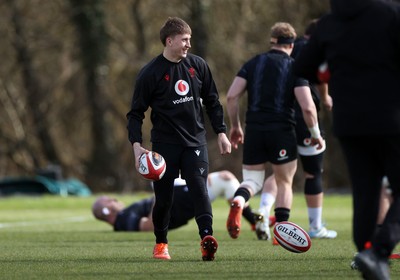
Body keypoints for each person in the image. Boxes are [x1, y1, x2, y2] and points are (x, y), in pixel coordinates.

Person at [293, 0, 400, 279]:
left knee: (365, 194)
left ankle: (365, 251)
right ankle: (378, 251)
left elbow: (302, 68)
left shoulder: (329, 23)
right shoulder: (390, 13)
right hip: (389, 116)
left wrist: (329, 72)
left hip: (349, 122)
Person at [126, 17, 231, 261]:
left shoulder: (198, 66)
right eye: (184, 40)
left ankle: (206, 239)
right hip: (164, 147)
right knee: (164, 200)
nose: (188, 45)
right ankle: (161, 243)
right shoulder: (150, 74)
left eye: (190, 40)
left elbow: (213, 102)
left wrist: (222, 132)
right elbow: (135, 114)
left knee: (199, 190)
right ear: (169, 40)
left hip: (195, 142)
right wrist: (136, 146)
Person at [225, 22, 323, 240]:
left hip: (254, 130)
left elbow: (232, 96)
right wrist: (315, 134)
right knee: (283, 181)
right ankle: (282, 233)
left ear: (272, 40)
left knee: (252, 181)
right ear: (291, 44)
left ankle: (239, 201)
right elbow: (307, 107)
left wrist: (235, 126)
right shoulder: (295, 66)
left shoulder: (252, 63)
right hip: (282, 131)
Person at [255, 19, 337, 241]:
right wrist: (326, 96)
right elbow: (321, 77)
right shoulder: (318, 49)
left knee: (282, 173)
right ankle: (316, 226)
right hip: (305, 115)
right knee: (312, 172)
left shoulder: (292, 46)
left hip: (284, 118)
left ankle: (263, 211)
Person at [92, 171, 257, 232]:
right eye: (109, 200)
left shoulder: (125, 215)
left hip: (173, 198)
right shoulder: (123, 220)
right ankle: (254, 221)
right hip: (173, 204)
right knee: (225, 179)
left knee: (225, 179)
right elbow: (150, 226)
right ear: (106, 211)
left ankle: (255, 223)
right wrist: (160, 192)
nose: (114, 199)